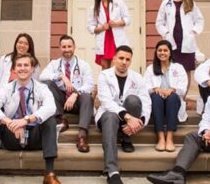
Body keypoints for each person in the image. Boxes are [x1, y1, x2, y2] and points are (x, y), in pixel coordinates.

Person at [0, 53, 60, 184]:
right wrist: (9, 122)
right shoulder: (6, 88)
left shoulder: (42, 88)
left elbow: (50, 107)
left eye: (26, 65)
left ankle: (49, 174)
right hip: (11, 137)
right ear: (14, 69)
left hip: (34, 137)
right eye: (19, 65)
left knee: (50, 119)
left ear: (33, 69)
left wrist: (26, 120)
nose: (22, 68)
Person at [96, 45, 151, 184]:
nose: (124, 62)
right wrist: (128, 117)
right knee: (110, 114)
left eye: (127, 59)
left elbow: (146, 102)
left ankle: (126, 137)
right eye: (121, 58)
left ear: (130, 61)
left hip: (129, 121)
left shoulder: (137, 77)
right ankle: (112, 171)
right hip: (108, 118)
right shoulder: (104, 75)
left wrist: (140, 122)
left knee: (134, 100)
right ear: (114, 59)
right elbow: (106, 101)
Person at [40, 35, 94, 153]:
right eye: (64, 46)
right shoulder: (54, 64)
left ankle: (82, 136)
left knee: (87, 97)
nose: (67, 49)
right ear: (60, 48)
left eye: (69, 46)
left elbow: (89, 85)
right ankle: (61, 119)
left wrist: (76, 94)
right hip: (61, 101)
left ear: (74, 47)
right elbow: (42, 76)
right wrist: (60, 76)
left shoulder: (84, 65)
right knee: (48, 83)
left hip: (77, 103)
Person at [155, 0, 204, 96]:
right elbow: (159, 22)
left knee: (186, 71)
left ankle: (182, 98)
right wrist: (165, 33)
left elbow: (199, 20)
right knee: (171, 70)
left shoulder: (190, 4)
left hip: (186, 43)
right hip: (171, 42)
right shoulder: (166, 3)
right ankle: (172, 97)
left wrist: (193, 32)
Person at [144, 40, 188, 152]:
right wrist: (155, 89)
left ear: (170, 53)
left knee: (173, 97)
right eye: (159, 50)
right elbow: (144, 87)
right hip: (157, 103)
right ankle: (161, 138)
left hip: (172, 102)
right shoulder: (150, 69)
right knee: (156, 97)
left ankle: (169, 138)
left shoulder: (178, 67)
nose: (162, 53)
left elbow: (183, 89)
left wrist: (172, 89)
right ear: (156, 52)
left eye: (165, 50)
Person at [87, 0, 131, 70]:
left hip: (116, 40)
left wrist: (116, 24)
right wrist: (101, 28)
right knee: (105, 68)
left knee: (115, 67)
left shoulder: (119, 2)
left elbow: (128, 19)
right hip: (104, 40)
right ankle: (104, 84)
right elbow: (90, 27)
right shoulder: (94, 7)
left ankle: (115, 84)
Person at [0, 33, 40, 103]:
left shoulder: (34, 64)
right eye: (20, 42)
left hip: (23, 99)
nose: (22, 46)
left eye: (26, 44)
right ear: (16, 44)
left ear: (29, 47)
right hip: (3, 98)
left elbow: (35, 86)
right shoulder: (5, 59)